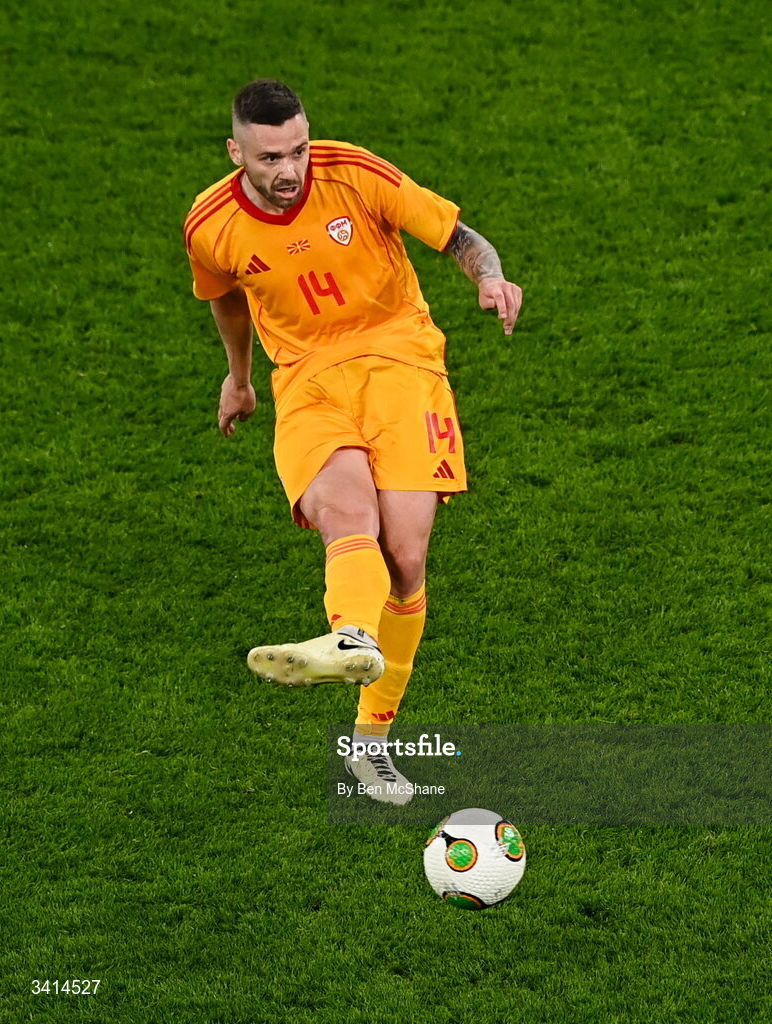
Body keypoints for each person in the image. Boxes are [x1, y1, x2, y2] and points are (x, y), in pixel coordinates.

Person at [184, 79, 521, 804]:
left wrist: (489, 279)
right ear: (235, 151)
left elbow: (458, 237)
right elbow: (226, 300)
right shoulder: (209, 225)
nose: (289, 169)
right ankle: (348, 638)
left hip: (403, 367)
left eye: (298, 149)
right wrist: (237, 379)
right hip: (307, 384)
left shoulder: (355, 173)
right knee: (345, 516)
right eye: (270, 156)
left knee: (405, 558)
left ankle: (369, 744)